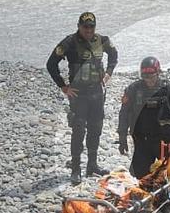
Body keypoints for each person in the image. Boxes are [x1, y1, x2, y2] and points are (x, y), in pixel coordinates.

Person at [46, 11, 118, 184]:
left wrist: (108, 74)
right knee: (78, 130)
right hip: (78, 94)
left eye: (91, 27)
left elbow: (114, 56)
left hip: (97, 92)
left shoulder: (102, 40)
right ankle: (76, 167)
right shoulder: (69, 42)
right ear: (79, 26)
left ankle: (92, 165)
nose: (88, 30)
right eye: (85, 27)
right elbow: (51, 64)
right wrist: (64, 87)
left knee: (96, 128)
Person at [117, 56, 170, 178]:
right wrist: (122, 137)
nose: (148, 80)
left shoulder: (169, 90)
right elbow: (124, 114)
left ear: (158, 73)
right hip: (143, 141)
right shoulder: (133, 90)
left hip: (167, 140)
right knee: (138, 178)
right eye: (145, 77)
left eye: (151, 76)